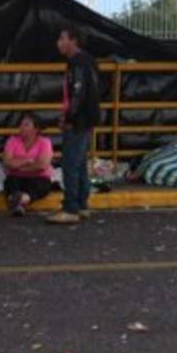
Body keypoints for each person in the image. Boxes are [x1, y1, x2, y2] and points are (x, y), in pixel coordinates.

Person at [47, 25, 100, 225]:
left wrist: (68, 117)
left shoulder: (77, 64)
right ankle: (82, 204)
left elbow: (77, 94)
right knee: (79, 164)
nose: (58, 43)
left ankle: (71, 207)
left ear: (74, 41)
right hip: (86, 119)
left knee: (70, 163)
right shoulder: (88, 61)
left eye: (62, 38)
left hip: (78, 121)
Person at [2, 114, 55, 216]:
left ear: (36, 129)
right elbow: (7, 162)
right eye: (21, 125)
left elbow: (42, 165)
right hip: (16, 177)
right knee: (11, 183)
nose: (21, 128)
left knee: (39, 186)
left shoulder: (45, 142)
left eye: (26, 125)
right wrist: (28, 161)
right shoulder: (12, 141)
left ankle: (19, 200)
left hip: (38, 177)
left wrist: (19, 166)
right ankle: (19, 201)